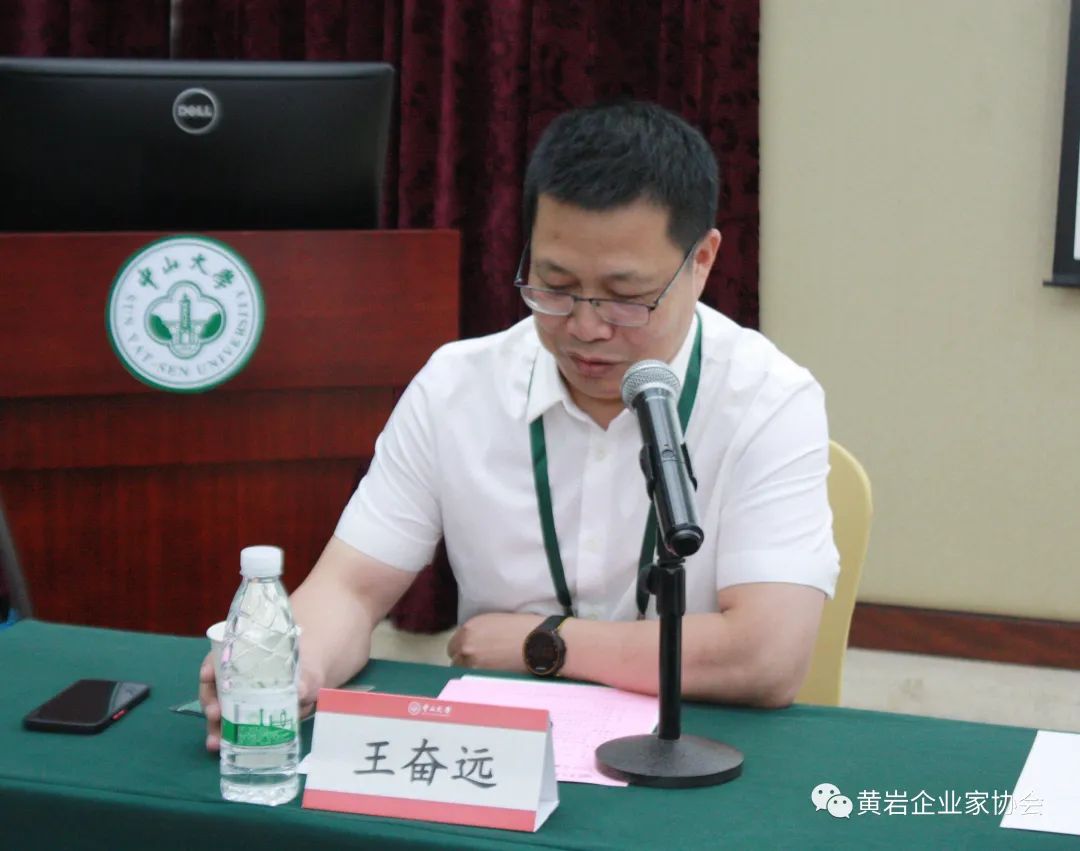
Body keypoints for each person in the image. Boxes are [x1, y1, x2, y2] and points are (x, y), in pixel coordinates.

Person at [201, 100, 839, 751]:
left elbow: (767, 655)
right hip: (498, 754)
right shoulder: (456, 387)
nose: (585, 327)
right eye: (555, 285)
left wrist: (545, 645)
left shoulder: (768, 401)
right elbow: (350, 588)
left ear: (701, 260)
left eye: (625, 297)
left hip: (696, 749)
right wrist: (293, 663)